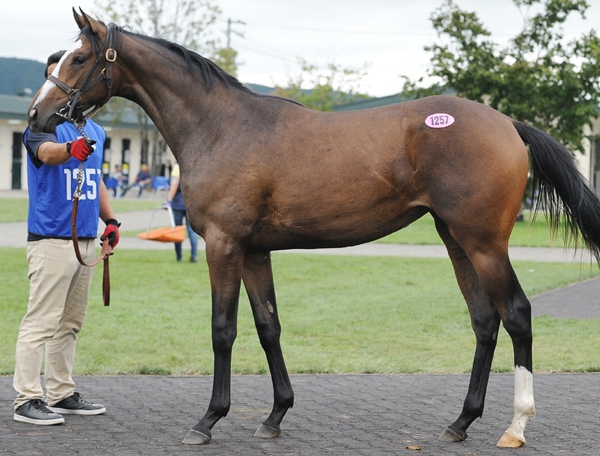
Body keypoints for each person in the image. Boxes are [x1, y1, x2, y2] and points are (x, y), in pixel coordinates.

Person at [14, 50, 121, 426]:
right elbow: (47, 153)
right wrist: (68, 150)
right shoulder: (40, 125)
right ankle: (27, 399)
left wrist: (111, 221)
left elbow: (96, 178)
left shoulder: (96, 131)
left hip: (86, 240)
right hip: (51, 239)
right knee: (41, 322)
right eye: (51, 78)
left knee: (71, 323)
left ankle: (60, 393)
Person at [165, 163, 198, 262]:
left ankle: (179, 256)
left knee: (177, 231)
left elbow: (175, 183)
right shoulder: (194, 166)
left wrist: (168, 199)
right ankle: (194, 255)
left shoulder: (178, 166)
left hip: (178, 204)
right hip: (191, 204)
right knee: (192, 231)